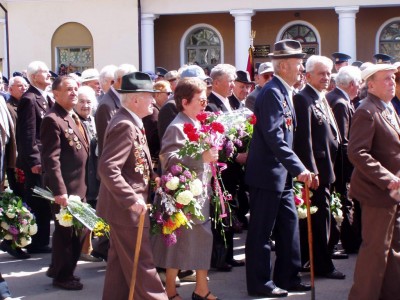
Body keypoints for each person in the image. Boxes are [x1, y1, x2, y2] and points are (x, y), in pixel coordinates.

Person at [244, 39, 312, 297]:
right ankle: (260, 284)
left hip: (281, 175)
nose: (301, 69)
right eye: (298, 64)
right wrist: (298, 168)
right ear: (283, 65)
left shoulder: (284, 90)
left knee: (289, 226)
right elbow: (274, 136)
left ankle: (288, 276)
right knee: (261, 232)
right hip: (267, 175)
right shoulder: (272, 92)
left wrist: (297, 167)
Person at [96, 72, 167, 300]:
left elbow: (132, 163)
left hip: (125, 208)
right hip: (127, 210)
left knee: (119, 265)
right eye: (150, 96)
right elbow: (108, 168)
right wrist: (131, 198)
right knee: (142, 264)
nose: (154, 101)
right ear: (135, 99)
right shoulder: (125, 124)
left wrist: (154, 176)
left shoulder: (131, 121)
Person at [151, 77, 219, 300]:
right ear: (185, 101)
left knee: (203, 239)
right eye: (200, 99)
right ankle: (170, 290)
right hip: (181, 195)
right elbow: (168, 159)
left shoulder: (197, 123)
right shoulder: (177, 126)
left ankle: (201, 289)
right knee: (176, 243)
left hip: (198, 193)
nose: (204, 103)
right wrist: (202, 156)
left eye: (205, 99)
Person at [348, 64, 400, 300]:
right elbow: (357, 152)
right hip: (378, 193)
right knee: (376, 252)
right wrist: (387, 178)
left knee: (393, 251)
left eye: (393, 78)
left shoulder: (387, 107)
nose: (392, 82)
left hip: (393, 193)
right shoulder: (366, 110)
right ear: (371, 85)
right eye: (387, 79)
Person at [293, 55, 345, 280]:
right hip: (316, 173)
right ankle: (322, 264)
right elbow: (304, 141)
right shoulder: (303, 99)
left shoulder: (320, 97)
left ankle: (315, 259)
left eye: (328, 73)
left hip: (328, 169)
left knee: (322, 218)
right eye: (321, 73)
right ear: (308, 75)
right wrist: (311, 172)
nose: (326, 77)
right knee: (318, 220)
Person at [41, 75, 89, 290]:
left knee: (77, 232)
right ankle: (62, 276)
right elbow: (51, 159)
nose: (73, 92)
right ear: (56, 93)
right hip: (65, 189)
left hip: (79, 186)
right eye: (68, 89)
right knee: (67, 233)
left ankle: (59, 268)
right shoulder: (52, 118)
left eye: (75, 88)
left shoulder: (71, 115)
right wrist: (60, 192)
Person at [91, 64, 136, 262]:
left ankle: (107, 246)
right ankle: (101, 246)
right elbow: (105, 141)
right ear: (116, 82)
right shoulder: (107, 105)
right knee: (108, 210)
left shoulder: (118, 101)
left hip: (120, 166)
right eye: (127, 80)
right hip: (112, 167)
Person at [16, 61, 53, 254]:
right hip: (36, 162)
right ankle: (36, 241)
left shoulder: (45, 98)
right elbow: (28, 133)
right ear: (33, 77)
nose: (48, 75)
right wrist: (34, 160)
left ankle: (41, 239)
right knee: (37, 201)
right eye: (44, 72)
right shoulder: (29, 99)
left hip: (46, 159)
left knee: (44, 202)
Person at [326, 66, 362, 255]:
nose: (360, 87)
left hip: (336, 164)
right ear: (351, 85)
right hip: (340, 165)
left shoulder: (335, 97)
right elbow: (343, 140)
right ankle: (350, 242)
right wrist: (352, 168)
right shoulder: (340, 102)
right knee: (344, 202)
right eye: (359, 83)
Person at [0, 76, 30, 260]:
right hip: (12, 164)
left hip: (11, 161)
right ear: (10, 89)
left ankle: (14, 242)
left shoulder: (3, 102)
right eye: (20, 85)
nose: (24, 88)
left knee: (19, 203)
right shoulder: (8, 104)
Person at [74, 86, 102, 263]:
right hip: (82, 172)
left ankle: (88, 247)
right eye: (81, 101)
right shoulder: (74, 120)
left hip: (94, 171)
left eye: (89, 102)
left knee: (93, 207)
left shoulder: (93, 120)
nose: (85, 105)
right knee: (84, 208)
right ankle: (83, 248)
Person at [143, 80, 172, 170]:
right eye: (167, 93)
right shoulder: (153, 112)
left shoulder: (157, 110)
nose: (170, 96)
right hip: (153, 160)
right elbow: (154, 138)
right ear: (157, 94)